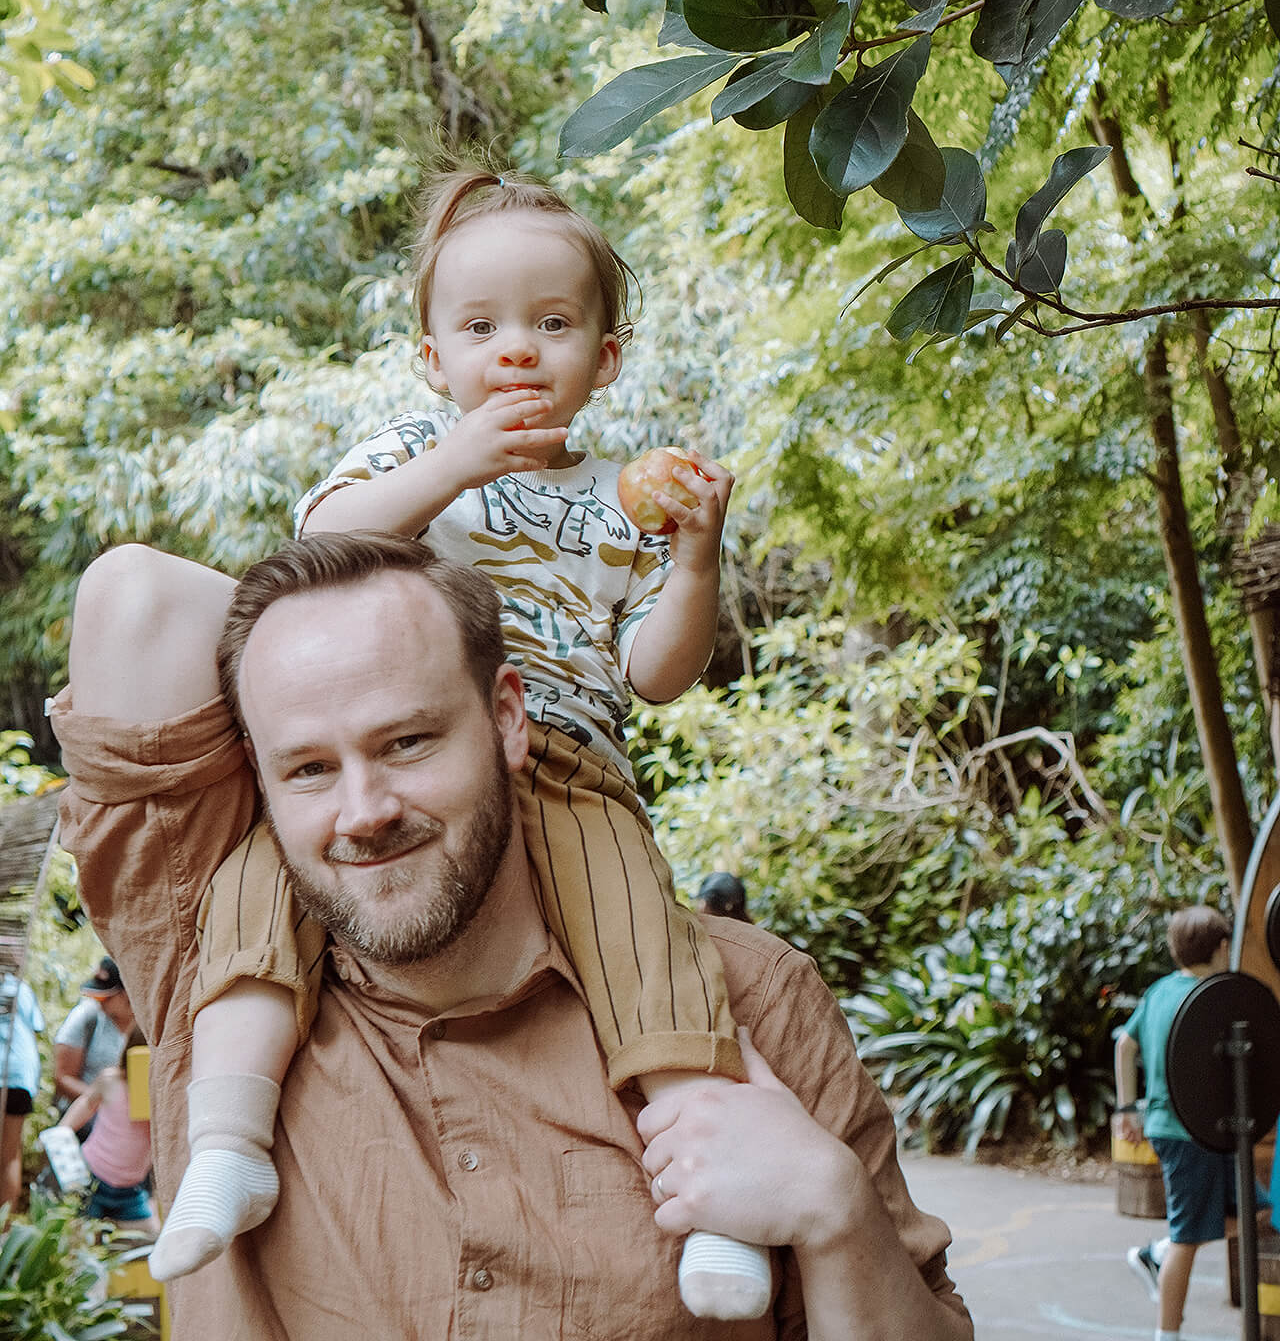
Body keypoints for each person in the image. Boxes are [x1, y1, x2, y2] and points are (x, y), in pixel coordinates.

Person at [54, 529, 973, 1341]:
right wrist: (325, 615)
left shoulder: (752, 1002)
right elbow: (136, 598)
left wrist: (836, 1216)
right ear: (258, 770)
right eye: (307, 766)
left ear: (506, 718)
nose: (363, 811)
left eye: (408, 741)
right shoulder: (198, 967)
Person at [151, 165, 766, 1317]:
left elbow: (654, 673)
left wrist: (692, 561)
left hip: (569, 759)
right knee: (259, 877)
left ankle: (713, 1199)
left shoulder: (619, 505)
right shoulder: (413, 456)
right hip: (401, 747)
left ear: (606, 355)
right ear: (434, 359)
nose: (518, 351)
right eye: (481, 327)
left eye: (552, 323)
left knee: (641, 933)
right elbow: (317, 540)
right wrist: (457, 460)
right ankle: (229, 1138)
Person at [1115, 904, 1233, 1341]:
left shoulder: (1159, 992)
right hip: (1187, 1134)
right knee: (1187, 1237)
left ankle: (1156, 1252)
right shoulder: (1215, 996)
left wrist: (1128, 1109)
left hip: (1193, 1131)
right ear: (1222, 948)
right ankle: (1168, 1334)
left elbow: (1125, 1046)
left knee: (1255, 1208)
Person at [62, 1026, 159, 1235]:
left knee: (150, 1240)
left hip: (130, 1190)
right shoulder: (111, 1081)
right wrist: (63, 1130)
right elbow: (87, 1102)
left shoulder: (161, 1098)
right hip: (92, 1179)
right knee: (80, 1239)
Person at [53, 957, 135, 1109]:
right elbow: (63, 1077)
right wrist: (107, 1103)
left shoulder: (148, 1023)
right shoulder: (87, 1016)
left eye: (106, 997)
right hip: (89, 1120)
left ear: (127, 994)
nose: (99, 1002)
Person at [0, 954, 44, 1217]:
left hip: (11, 1073)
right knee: (10, 1154)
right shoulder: (19, 988)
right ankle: (4, 1233)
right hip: (19, 1077)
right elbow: (36, 1026)